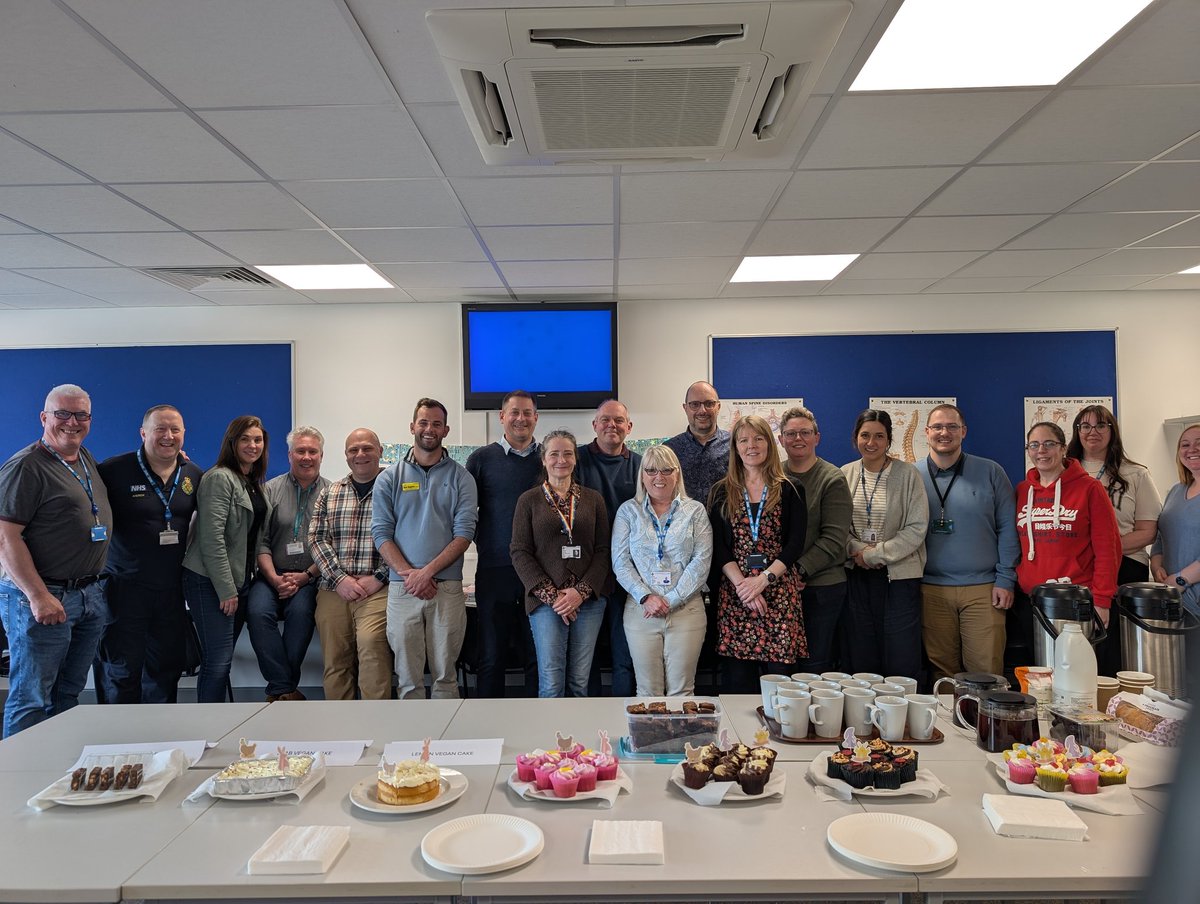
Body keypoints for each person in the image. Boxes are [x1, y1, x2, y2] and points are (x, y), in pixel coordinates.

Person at [0, 385, 112, 737]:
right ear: (44, 417)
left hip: (87, 595)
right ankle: (18, 783)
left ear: (90, 420)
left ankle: (57, 770)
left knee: (67, 694)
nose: (72, 422)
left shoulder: (84, 458)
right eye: (62, 413)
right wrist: (37, 596)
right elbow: (6, 537)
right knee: (30, 698)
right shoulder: (26, 466)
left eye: (81, 414)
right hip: (43, 597)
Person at [95, 404, 203, 704]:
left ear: (184, 434)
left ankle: (160, 742)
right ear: (143, 433)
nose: (168, 436)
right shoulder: (113, 471)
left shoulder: (192, 473)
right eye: (160, 429)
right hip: (123, 588)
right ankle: (120, 742)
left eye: (175, 430)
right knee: (121, 670)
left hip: (171, 591)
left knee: (166, 670)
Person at [372, 398, 478, 700]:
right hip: (402, 587)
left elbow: (464, 533)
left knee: (446, 676)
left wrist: (427, 573)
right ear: (412, 427)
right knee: (407, 678)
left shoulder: (462, 478)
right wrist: (410, 575)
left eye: (435, 423)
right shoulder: (389, 478)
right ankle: (411, 744)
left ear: (445, 429)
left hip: (446, 588)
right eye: (423, 422)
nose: (429, 429)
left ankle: (446, 746)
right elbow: (381, 533)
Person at [918, 404, 1020, 680]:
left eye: (952, 426)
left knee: (986, 673)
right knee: (942, 675)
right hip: (931, 590)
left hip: (984, 590)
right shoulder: (911, 475)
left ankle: (987, 725)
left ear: (963, 432)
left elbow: (1009, 528)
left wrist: (1005, 579)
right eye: (937, 427)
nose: (944, 432)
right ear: (926, 433)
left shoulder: (991, 472)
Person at [708, 414, 807, 692]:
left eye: (758, 438)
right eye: (744, 440)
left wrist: (762, 580)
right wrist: (744, 586)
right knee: (737, 682)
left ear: (770, 444)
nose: (751, 445)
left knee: (782, 684)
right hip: (736, 596)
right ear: (736, 448)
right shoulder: (721, 491)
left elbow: (795, 544)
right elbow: (718, 546)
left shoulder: (790, 489)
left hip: (777, 594)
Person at [510, 429, 612, 698]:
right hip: (546, 603)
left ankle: (579, 741)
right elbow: (519, 552)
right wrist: (554, 597)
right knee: (551, 683)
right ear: (543, 459)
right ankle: (551, 740)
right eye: (554, 454)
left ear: (575, 459)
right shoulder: (528, 500)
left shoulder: (593, 499)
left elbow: (603, 550)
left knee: (580, 682)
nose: (561, 460)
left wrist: (580, 592)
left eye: (567, 453)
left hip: (587, 602)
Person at [1067, 404, 1162, 674]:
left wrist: (1104, 549)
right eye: (1085, 426)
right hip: (1079, 569)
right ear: (1077, 432)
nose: (1092, 431)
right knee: (1079, 648)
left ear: (1112, 431)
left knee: (1114, 650)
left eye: (1100, 425)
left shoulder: (1136, 474)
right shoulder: (1064, 472)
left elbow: (1148, 531)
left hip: (1125, 567)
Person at [181, 415, 270, 704]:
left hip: (239, 579)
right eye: (245, 439)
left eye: (257, 439)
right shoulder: (219, 477)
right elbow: (211, 538)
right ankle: (209, 728)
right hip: (210, 581)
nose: (252, 445)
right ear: (232, 442)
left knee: (222, 661)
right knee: (217, 662)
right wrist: (226, 589)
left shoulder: (252, 481)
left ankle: (219, 722)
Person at [612, 444, 712, 695]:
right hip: (641, 611)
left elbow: (702, 560)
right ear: (642, 476)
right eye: (651, 470)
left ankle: (681, 737)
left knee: (682, 690)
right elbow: (620, 561)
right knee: (647, 691)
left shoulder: (695, 510)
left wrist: (671, 599)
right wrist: (646, 597)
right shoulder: (628, 511)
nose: (659, 477)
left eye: (667, 470)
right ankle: (649, 736)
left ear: (677, 474)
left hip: (686, 610)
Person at [841, 409, 928, 680]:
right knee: (861, 655)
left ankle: (900, 721)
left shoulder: (908, 475)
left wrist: (875, 555)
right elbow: (836, 527)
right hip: (857, 576)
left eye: (879, 436)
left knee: (901, 657)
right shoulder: (845, 473)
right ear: (856, 438)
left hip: (898, 578)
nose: (871, 442)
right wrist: (857, 551)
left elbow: (916, 529)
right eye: (865, 435)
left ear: (889, 440)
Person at [465, 390, 541, 697]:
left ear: (536, 418)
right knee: (491, 656)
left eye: (527, 413)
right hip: (494, 570)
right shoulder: (481, 459)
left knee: (536, 656)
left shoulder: (548, 457)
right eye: (514, 413)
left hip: (539, 574)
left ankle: (539, 726)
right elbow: (466, 514)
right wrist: (487, 542)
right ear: (502, 417)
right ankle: (488, 728)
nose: (520, 419)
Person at [245, 426, 330, 702]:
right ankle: (285, 688)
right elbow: (262, 541)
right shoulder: (269, 490)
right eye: (300, 451)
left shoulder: (334, 493)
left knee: (301, 614)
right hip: (271, 574)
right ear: (290, 454)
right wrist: (273, 578)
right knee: (257, 613)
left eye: (312, 451)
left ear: (321, 455)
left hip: (311, 576)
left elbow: (332, 545)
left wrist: (305, 576)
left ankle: (279, 689)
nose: (307, 457)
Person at [308, 428, 393, 700]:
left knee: (372, 652)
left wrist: (379, 577)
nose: (360, 454)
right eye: (353, 450)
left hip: (378, 590)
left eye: (367, 448)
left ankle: (376, 727)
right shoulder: (330, 492)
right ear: (345, 456)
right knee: (335, 661)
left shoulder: (395, 490)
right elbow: (317, 538)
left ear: (380, 451)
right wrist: (339, 579)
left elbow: (407, 539)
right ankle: (340, 732)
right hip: (334, 589)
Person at [1016, 421, 1122, 630]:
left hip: (1077, 599)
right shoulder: (1022, 491)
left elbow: (1108, 549)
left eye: (1049, 444)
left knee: (1076, 662)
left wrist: (1102, 600)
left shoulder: (1090, 488)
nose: (1041, 451)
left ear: (1063, 448)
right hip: (1032, 599)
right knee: (1039, 662)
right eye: (1034, 445)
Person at [575, 399, 641, 697]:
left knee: (623, 656)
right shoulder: (574, 461)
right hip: (586, 574)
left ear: (629, 427)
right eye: (605, 420)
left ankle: (620, 719)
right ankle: (587, 725)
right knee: (583, 660)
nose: (611, 426)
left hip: (629, 575)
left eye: (618, 421)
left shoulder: (641, 466)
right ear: (594, 425)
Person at [779, 406, 852, 674]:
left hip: (820, 588)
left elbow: (834, 539)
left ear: (817, 438)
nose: (798, 438)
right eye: (791, 433)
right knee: (782, 663)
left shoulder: (832, 479)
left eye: (805, 433)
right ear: (781, 440)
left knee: (813, 664)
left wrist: (796, 570)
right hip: (781, 587)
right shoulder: (774, 476)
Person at [1151, 423, 1200, 618]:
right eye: (1185, 445)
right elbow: (1161, 536)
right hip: (1173, 599)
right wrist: (1156, 567)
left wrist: (1180, 580)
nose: (1192, 450)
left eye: (1199, 443)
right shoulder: (1176, 491)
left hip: (1188, 595)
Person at [664, 381, 731, 506]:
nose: (702, 410)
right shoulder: (669, 449)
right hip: (684, 524)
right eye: (695, 404)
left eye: (709, 404)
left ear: (718, 407)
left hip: (725, 522)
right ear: (685, 408)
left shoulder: (735, 445)